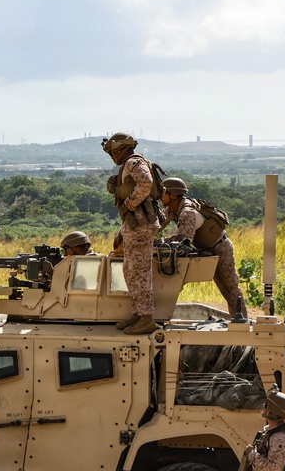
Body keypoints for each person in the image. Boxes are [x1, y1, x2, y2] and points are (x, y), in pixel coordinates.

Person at [102, 132, 164, 335]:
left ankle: (145, 317)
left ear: (121, 148)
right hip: (135, 224)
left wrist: (130, 203)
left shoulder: (133, 163)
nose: (112, 157)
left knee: (138, 272)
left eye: (112, 152)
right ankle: (139, 313)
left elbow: (145, 183)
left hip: (140, 224)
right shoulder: (130, 164)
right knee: (130, 270)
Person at [160, 177, 246, 319]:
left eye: (164, 193)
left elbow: (183, 241)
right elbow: (157, 225)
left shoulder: (188, 212)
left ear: (173, 195)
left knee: (230, 289)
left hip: (220, 248)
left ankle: (242, 323)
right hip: (207, 249)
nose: (160, 196)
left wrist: (161, 242)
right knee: (225, 288)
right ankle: (238, 322)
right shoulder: (172, 209)